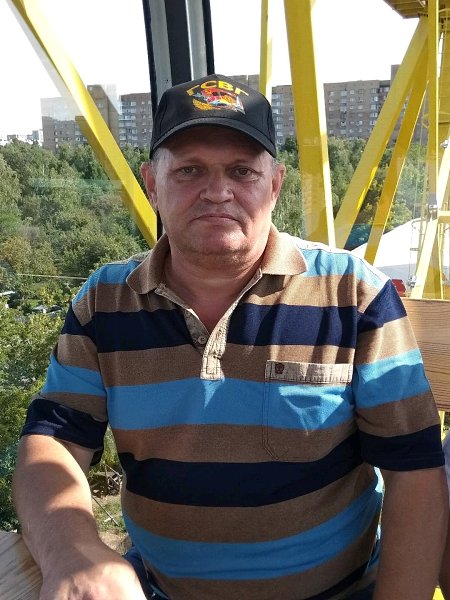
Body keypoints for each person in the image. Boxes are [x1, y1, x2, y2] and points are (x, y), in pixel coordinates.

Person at [13, 74, 447, 600]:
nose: (217, 192)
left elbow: (414, 470)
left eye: (242, 171)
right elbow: (54, 441)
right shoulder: (106, 301)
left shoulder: (352, 294)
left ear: (275, 185)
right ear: (152, 184)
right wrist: (72, 552)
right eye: (189, 170)